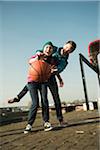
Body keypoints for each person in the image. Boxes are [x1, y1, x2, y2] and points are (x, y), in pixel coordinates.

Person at [8, 40, 77, 133]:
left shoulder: (64, 61)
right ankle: (18, 98)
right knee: (33, 81)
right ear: (64, 45)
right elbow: (40, 50)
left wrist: (57, 73)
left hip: (50, 76)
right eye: (67, 47)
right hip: (41, 74)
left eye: (70, 49)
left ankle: (59, 120)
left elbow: (59, 69)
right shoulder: (53, 48)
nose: (67, 49)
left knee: (55, 98)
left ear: (71, 52)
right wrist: (37, 54)